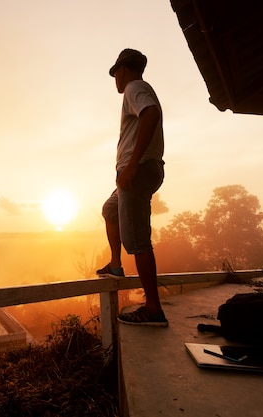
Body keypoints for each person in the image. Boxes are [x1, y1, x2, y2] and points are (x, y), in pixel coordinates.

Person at [96, 48, 167, 327]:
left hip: (136, 171)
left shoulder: (134, 88)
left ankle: (153, 310)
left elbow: (151, 114)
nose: (115, 79)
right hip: (135, 171)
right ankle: (115, 265)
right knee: (110, 210)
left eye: (115, 73)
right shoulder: (139, 89)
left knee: (137, 241)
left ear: (122, 70)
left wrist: (132, 164)